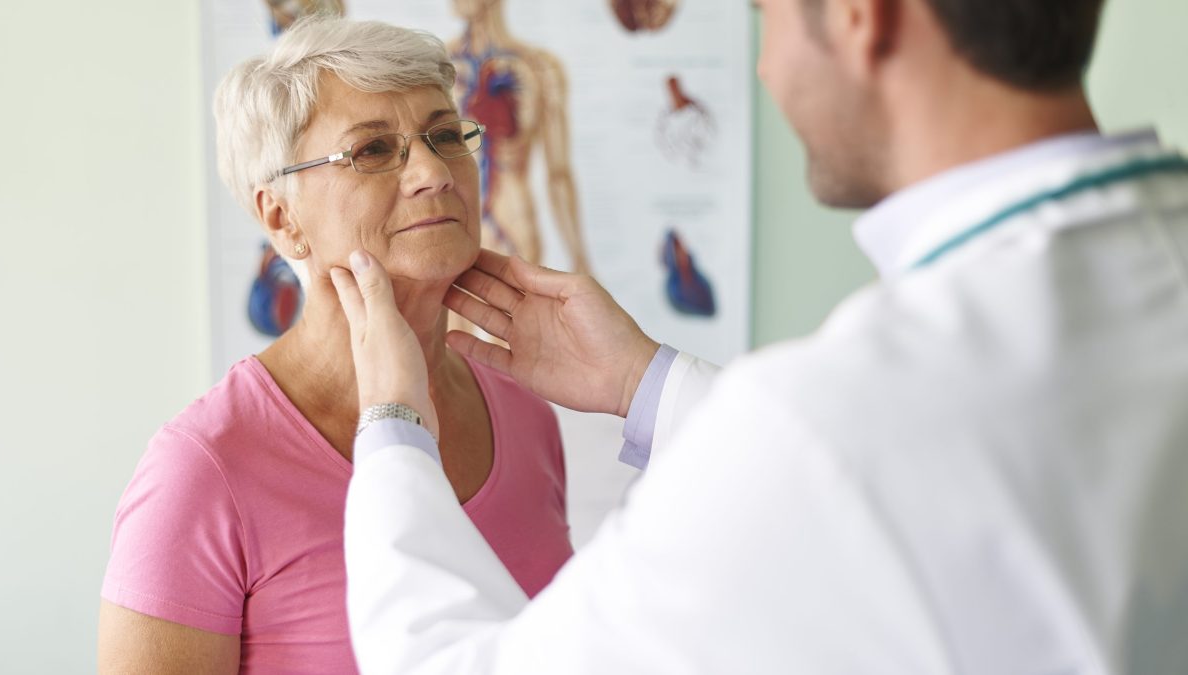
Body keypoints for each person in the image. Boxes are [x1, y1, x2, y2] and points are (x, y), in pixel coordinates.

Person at [333, 0, 1188, 672]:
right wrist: (645, 383)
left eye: (766, 18)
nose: (768, 67)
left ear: (860, 15)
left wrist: (394, 427)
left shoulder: (829, 421)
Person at [97, 17, 574, 673]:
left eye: (443, 134)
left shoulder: (526, 414)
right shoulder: (202, 471)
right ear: (281, 217)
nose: (434, 171)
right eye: (373, 150)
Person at [447, 0, 592, 274]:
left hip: (513, 223)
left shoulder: (538, 67)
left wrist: (579, 258)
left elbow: (559, 173)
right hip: (453, 225)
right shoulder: (437, 65)